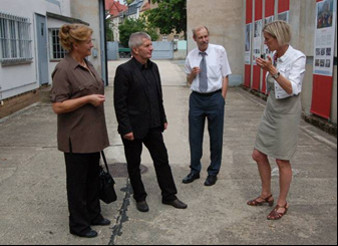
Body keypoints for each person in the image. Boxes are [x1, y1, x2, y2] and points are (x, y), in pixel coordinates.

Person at [114, 32, 187, 212]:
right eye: (147, 46)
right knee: (134, 164)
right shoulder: (124, 71)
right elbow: (120, 103)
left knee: (162, 159)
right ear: (135, 50)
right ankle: (140, 197)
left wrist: (162, 118)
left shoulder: (153, 67)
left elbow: (157, 96)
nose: (151, 48)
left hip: (154, 125)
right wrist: (126, 128)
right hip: (133, 127)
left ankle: (169, 195)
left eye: (150, 45)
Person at [50, 24, 110, 238]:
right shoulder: (63, 69)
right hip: (76, 137)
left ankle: (93, 215)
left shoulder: (87, 63)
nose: (92, 45)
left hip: (93, 135)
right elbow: (58, 106)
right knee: (77, 184)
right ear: (75, 44)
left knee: (92, 178)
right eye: (88, 42)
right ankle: (78, 225)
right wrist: (87, 99)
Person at [247, 20, 306, 220]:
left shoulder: (297, 57)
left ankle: (282, 202)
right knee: (258, 154)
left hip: (287, 113)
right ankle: (266, 194)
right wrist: (270, 68)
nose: (265, 43)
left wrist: (272, 70)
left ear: (278, 38)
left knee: (282, 159)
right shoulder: (274, 55)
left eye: (267, 39)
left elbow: (292, 88)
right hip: (271, 110)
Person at [183, 26, 231, 186]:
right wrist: (192, 74)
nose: (204, 40)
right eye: (200, 37)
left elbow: (225, 75)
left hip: (214, 98)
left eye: (206, 36)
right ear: (194, 38)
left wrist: (221, 99)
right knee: (194, 137)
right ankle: (195, 170)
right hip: (196, 99)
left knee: (216, 138)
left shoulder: (219, 51)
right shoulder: (191, 56)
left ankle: (213, 172)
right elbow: (188, 81)